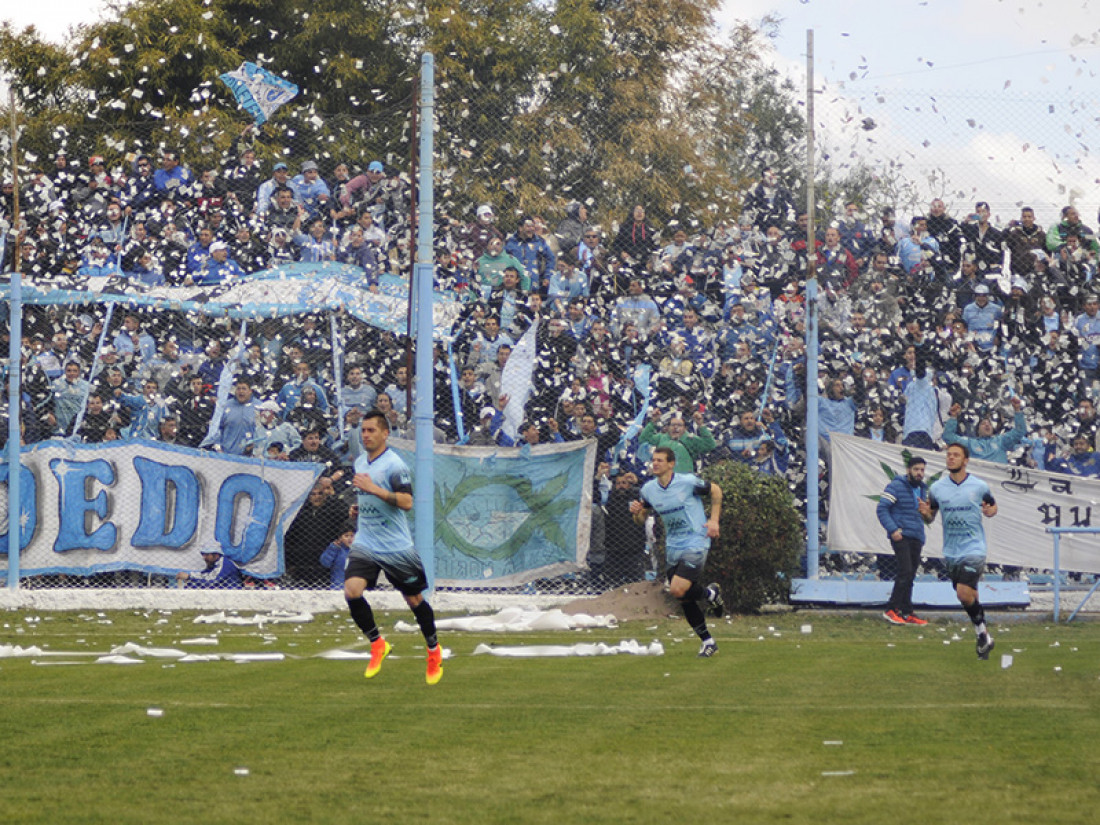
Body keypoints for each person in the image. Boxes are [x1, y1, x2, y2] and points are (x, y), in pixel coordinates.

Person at [344, 410, 443, 684]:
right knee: (352, 591)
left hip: (395, 545)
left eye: (371, 430)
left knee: (413, 600)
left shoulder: (395, 465)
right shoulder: (361, 461)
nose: (365, 435)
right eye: (363, 430)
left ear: (385, 433)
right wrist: (359, 507)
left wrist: (374, 490)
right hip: (366, 540)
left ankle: (433, 650)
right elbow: (369, 496)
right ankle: (377, 644)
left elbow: (406, 501)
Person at [629, 447, 725, 658]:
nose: (655, 464)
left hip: (696, 540)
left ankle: (710, 595)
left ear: (671, 464)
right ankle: (708, 639)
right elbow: (641, 519)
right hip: (673, 545)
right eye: (653, 460)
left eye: (660, 460)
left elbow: (716, 490)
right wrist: (637, 513)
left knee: (677, 589)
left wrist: (714, 520)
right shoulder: (648, 490)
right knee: (683, 598)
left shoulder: (687, 482)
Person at [919, 443, 998, 661]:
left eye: (956, 455)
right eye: (949, 455)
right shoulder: (936, 489)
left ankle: (982, 632)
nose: (950, 458)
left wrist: (991, 510)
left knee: (964, 593)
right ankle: (983, 636)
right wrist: (925, 514)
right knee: (969, 596)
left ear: (965, 460)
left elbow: (992, 506)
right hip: (951, 551)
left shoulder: (979, 486)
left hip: (974, 547)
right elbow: (930, 516)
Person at [876, 455, 930, 625]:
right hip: (902, 535)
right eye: (916, 469)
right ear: (908, 470)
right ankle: (891, 609)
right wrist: (893, 530)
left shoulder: (923, 489)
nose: (919, 473)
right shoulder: (896, 486)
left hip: (916, 535)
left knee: (910, 574)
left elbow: (926, 515)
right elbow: (882, 508)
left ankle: (907, 612)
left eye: (922, 470)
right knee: (905, 571)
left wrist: (925, 513)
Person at [176, 545, 243, 589]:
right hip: (219, 589)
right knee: (190, 585)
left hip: (230, 591)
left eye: (207, 555)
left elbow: (211, 582)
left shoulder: (225, 563)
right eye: (203, 554)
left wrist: (189, 577)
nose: (204, 557)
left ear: (216, 555)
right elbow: (204, 575)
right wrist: (189, 576)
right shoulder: (214, 563)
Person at [320, 522, 357, 590]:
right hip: (338, 586)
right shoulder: (336, 549)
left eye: (352, 536)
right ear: (340, 537)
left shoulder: (359, 551)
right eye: (346, 536)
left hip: (356, 586)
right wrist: (333, 549)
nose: (349, 539)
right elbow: (325, 563)